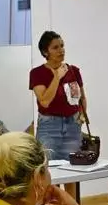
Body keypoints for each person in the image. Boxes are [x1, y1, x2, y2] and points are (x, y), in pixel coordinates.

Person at [29, 31, 86, 161]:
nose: (61, 50)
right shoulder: (37, 73)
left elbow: (82, 98)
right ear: (45, 52)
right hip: (49, 127)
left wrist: (81, 116)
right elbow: (44, 101)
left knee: (72, 168)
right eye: (55, 47)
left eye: (62, 46)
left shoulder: (73, 70)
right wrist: (57, 77)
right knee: (47, 167)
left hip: (73, 126)